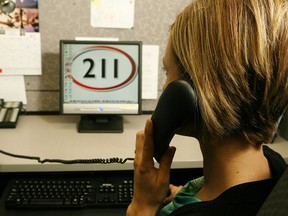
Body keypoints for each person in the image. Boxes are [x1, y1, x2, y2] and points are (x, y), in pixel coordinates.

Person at [126, 0, 288, 215]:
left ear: (189, 91)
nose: (164, 87)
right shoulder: (273, 165)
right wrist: (187, 195)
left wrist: (142, 205)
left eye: (167, 72)